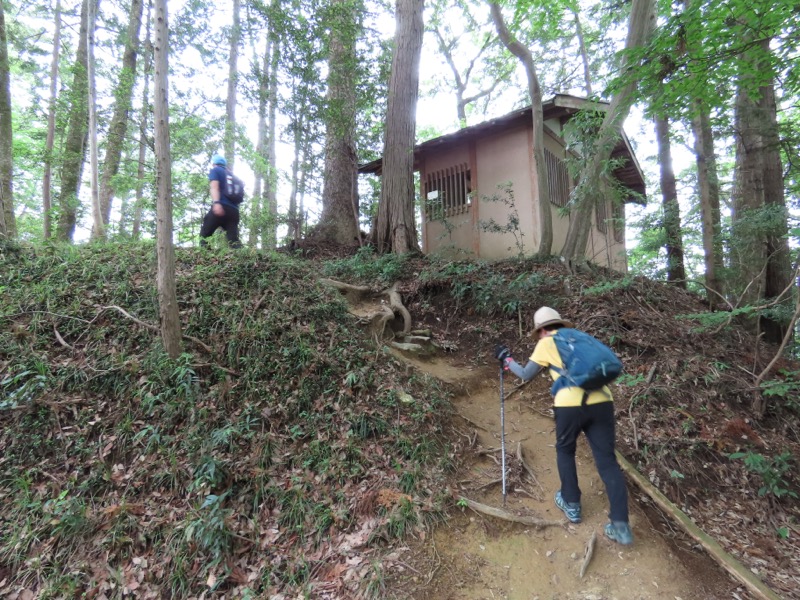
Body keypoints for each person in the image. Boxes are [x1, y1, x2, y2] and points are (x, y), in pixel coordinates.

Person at [496, 306, 633, 546]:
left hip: (569, 403)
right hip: (602, 400)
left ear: (541, 330)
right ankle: (620, 525)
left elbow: (526, 374)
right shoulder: (581, 338)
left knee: (565, 450)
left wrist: (507, 360)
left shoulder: (547, 342)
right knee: (608, 462)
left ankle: (571, 504)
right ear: (560, 323)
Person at [200, 155, 241, 248]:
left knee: (204, 235)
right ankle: (246, 259)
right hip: (234, 211)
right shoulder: (232, 175)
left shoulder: (215, 170)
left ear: (214, 164)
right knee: (233, 240)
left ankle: (206, 259)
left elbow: (214, 187)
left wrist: (216, 203)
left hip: (222, 206)